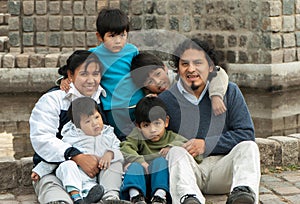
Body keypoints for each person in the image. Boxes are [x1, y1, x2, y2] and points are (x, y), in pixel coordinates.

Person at [158, 38, 261, 204]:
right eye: (184, 64)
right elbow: (149, 136)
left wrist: (205, 144)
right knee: (175, 152)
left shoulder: (230, 92)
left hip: (223, 169)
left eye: (198, 63)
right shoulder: (166, 100)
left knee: (249, 147)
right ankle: (189, 198)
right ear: (177, 69)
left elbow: (246, 133)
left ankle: (243, 194)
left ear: (211, 67)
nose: (191, 69)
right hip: (190, 172)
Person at [29, 50, 124, 204]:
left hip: (97, 166)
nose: (91, 80)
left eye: (96, 74)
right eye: (84, 74)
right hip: (58, 165)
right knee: (51, 184)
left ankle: (109, 198)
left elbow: (116, 137)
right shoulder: (54, 100)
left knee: (114, 165)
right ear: (70, 75)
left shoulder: (103, 100)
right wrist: (76, 156)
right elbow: (42, 137)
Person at [59, 8, 144, 140]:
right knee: (120, 138)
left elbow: (141, 72)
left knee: (142, 135)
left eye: (122, 35)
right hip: (113, 107)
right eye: (112, 36)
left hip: (137, 102)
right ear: (99, 36)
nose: (118, 41)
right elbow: (76, 68)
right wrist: (64, 79)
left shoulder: (132, 51)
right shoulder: (94, 54)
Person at [31, 97, 125, 203]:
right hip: (77, 176)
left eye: (97, 117)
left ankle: (108, 198)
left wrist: (110, 153)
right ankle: (79, 198)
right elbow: (59, 155)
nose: (95, 123)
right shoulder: (72, 137)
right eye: (88, 121)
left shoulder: (109, 134)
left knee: (114, 164)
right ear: (78, 125)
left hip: (98, 176)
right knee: (67, 165)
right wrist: (40, 170)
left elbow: (119, 148)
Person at [119, 96, 202, 204]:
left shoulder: (172, 137)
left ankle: (160, 197)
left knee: (160, 162)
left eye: (157, 123)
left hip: (162, 182)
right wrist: (141, 161)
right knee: (134, 166)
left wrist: (172, 147)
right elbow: (125, 147)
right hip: (142, 179)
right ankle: (135, 197)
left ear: (166, 122)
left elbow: (196, 155)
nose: (153, 130)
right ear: (138, 126)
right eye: (146, 125)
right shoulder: (138, 136)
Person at [130, 51, 229, 116]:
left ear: (165, 68)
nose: (158, 82)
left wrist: (216, 96)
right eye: (150, 82)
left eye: (158, 74)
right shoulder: (152, 96)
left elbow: (218, 71)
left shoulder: (180, 77)